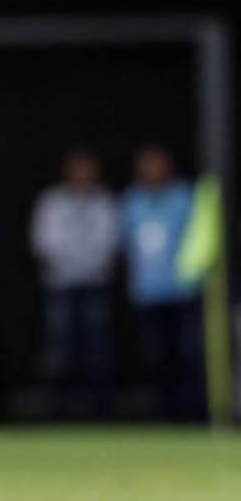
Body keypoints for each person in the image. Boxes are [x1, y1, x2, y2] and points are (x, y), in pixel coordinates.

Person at [30, 148, 119, 418]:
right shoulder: (51, 201)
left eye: (87, 168)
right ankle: (57, 410)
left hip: (94, 283)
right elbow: (43, 243)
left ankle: (100, 410)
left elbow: (111, 243)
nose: (82, 174)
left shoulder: (105, 201)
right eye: (76, 168)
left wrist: (87, 262)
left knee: (97, 350)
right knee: (60, 350)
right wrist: (70, 262)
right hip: (61, 285)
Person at [119, 145, 203, 420]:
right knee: (156, 358)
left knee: (188, 355)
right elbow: (125, 244)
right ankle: (161, 414)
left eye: (158, 163)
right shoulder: (132, 201)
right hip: (148, 292)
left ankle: (193, 413)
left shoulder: (184, 198)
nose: (153, 170)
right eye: (148, 164)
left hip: (183, 290)